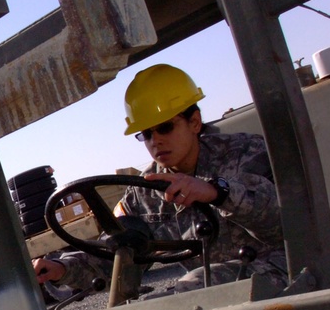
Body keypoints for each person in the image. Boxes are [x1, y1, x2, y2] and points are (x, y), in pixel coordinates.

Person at [33, 64, 288, 296]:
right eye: (146, 134)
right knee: (152, 308)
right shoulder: (144, 194)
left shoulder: (248, 154)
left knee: (189, 291)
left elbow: (286, 223)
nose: (156, 141)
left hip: (283, 269)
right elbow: (119, 254)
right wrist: (62, 267)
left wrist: (216, 192)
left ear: (195, 122)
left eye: (165, 127)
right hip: (213, 288)